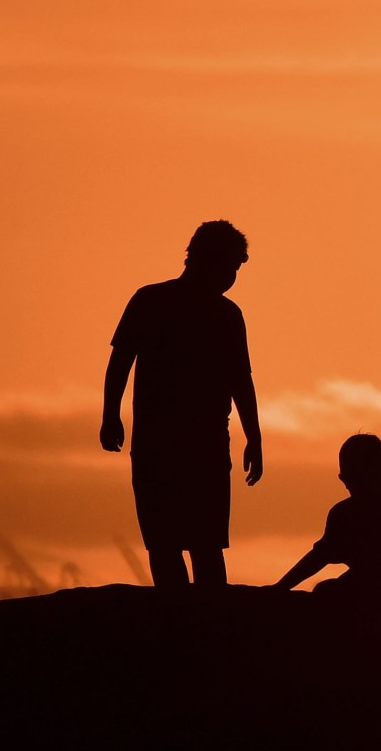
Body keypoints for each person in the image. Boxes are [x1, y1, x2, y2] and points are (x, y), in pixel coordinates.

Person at [100, 220, 263, 592]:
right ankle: (181, 620)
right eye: (229, 267)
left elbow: (241, 380)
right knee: (165, 543)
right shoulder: (150, 301)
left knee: (202, 545)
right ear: (202, 259)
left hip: (202, 444)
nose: (231, 277)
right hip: (160, 444)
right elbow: (121, 361)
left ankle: (205, 621)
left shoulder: (227, 314)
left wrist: (254, 438)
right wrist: (111, 415)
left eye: (235, 270)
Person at [273, 433, 381, 609]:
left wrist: (279, 588)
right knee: (327, 590)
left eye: (369, 477)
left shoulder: (347, 514)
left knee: (326, 591)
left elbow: (320, 557)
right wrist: (280, 588)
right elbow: (320, 556)